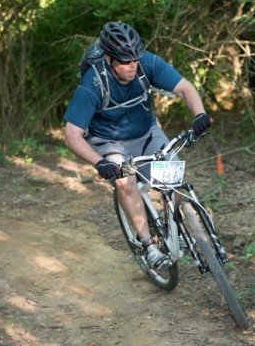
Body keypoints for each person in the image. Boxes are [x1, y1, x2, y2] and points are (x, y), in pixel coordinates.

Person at [63, 21, 212, 269]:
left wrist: (199, 114)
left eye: (134, 58)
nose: (131, 65)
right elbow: (72, 134)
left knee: (173, 173)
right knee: (125, 181)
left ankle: (177, 225)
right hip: (107, 141)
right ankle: (148, 245)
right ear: (109, 58)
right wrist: (99, 162)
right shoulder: (93, 83)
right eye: (124, 60)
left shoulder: (147, 63)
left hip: (146, 133)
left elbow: (185, 88)